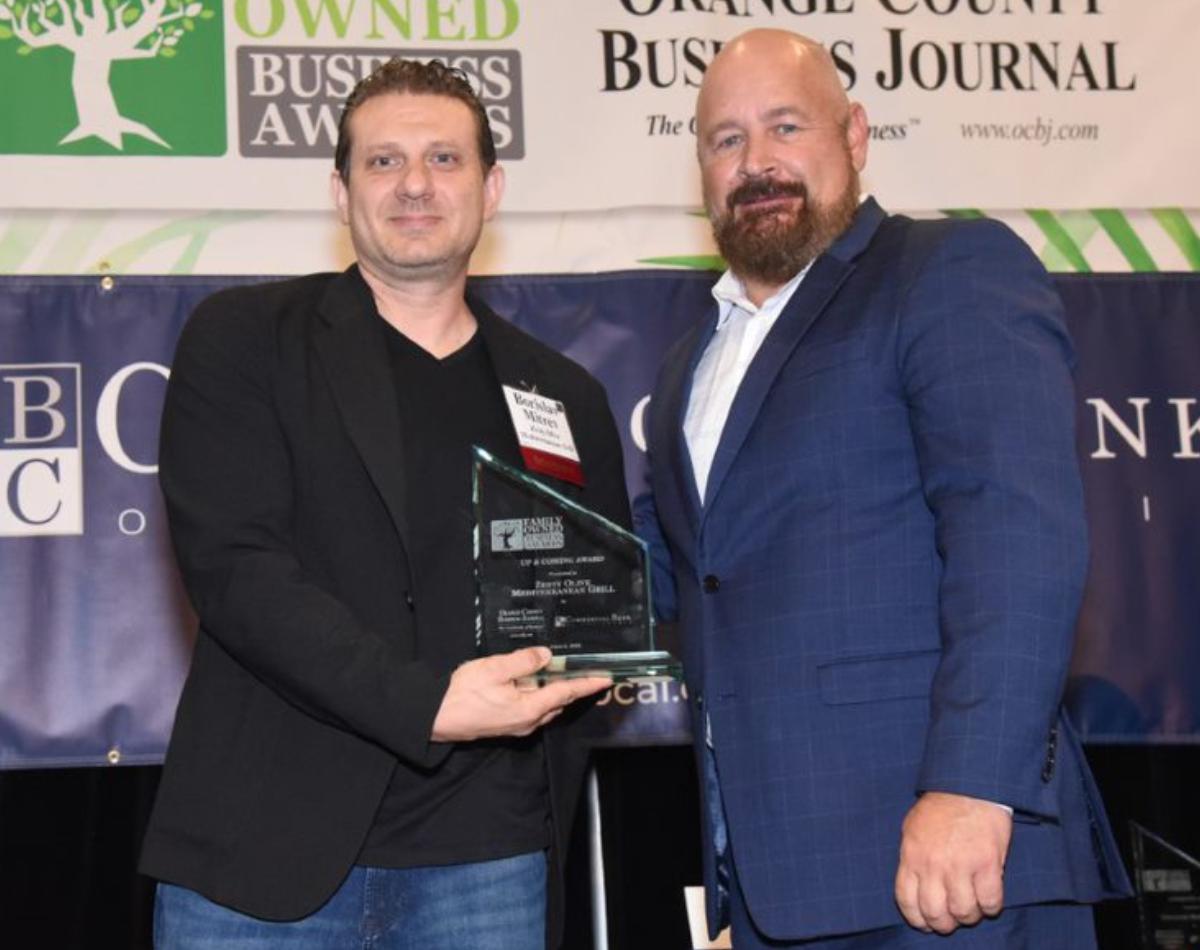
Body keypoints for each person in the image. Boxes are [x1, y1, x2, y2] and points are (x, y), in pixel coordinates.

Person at [635, 28, 1131, 949]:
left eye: (787, 126)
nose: (757, 161)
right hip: (781, 887)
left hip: (948, 867)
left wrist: (972, 786)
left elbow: (1016, 535)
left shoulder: (946, 270)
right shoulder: (688, 367)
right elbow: (672, 571)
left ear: (855, 135)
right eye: (726, 139)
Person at [140, 58, 626, 949]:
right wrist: (427, 703)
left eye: (444, 159)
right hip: (263, 861)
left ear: (491, 188)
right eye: (383, 161)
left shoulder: (564, 395)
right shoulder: (244, 343)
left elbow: (595, 602)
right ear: (340, 191)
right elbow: (237, 574)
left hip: (489, 859)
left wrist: (600, 656)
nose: (414, 184)